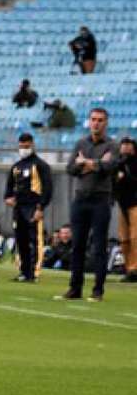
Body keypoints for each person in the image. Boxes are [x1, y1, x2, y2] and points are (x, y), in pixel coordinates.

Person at [56, 108, 118, 302]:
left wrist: (86, 163)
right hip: (81, 199)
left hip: (101, 199)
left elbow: (110, 167)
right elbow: (71, 168)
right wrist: (96, 164)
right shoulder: (81, 143)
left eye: (100, 120)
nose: (96, 123)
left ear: (106, 123)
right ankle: (75, 288)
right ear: (89, 121)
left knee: (99, 246)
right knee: (78, 246)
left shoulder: (112, 145)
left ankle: (98, 290)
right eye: (93, 119)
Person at [4, 133, 53, 283]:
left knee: (35, 240)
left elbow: (48, 188)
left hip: (33, 207)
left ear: (32, 145)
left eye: (26, 147)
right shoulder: (16, 167)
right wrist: (8, 199)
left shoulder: (40, 165)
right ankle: (23, 271)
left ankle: (34, 272)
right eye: (21, 147)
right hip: (18, 208)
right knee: (21, 240)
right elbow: (8, 189)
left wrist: (40, 208)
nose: (23, 149)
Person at [115, 137, 137, 282]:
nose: (125, 147)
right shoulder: (119, 163)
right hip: (122, 204)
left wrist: (125, 176)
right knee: (124, 239)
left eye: (128, 145)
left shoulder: (134, 164)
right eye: (123, 144)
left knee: (135, 237)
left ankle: (135, 268)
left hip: (135, 203)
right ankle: (129, 268)